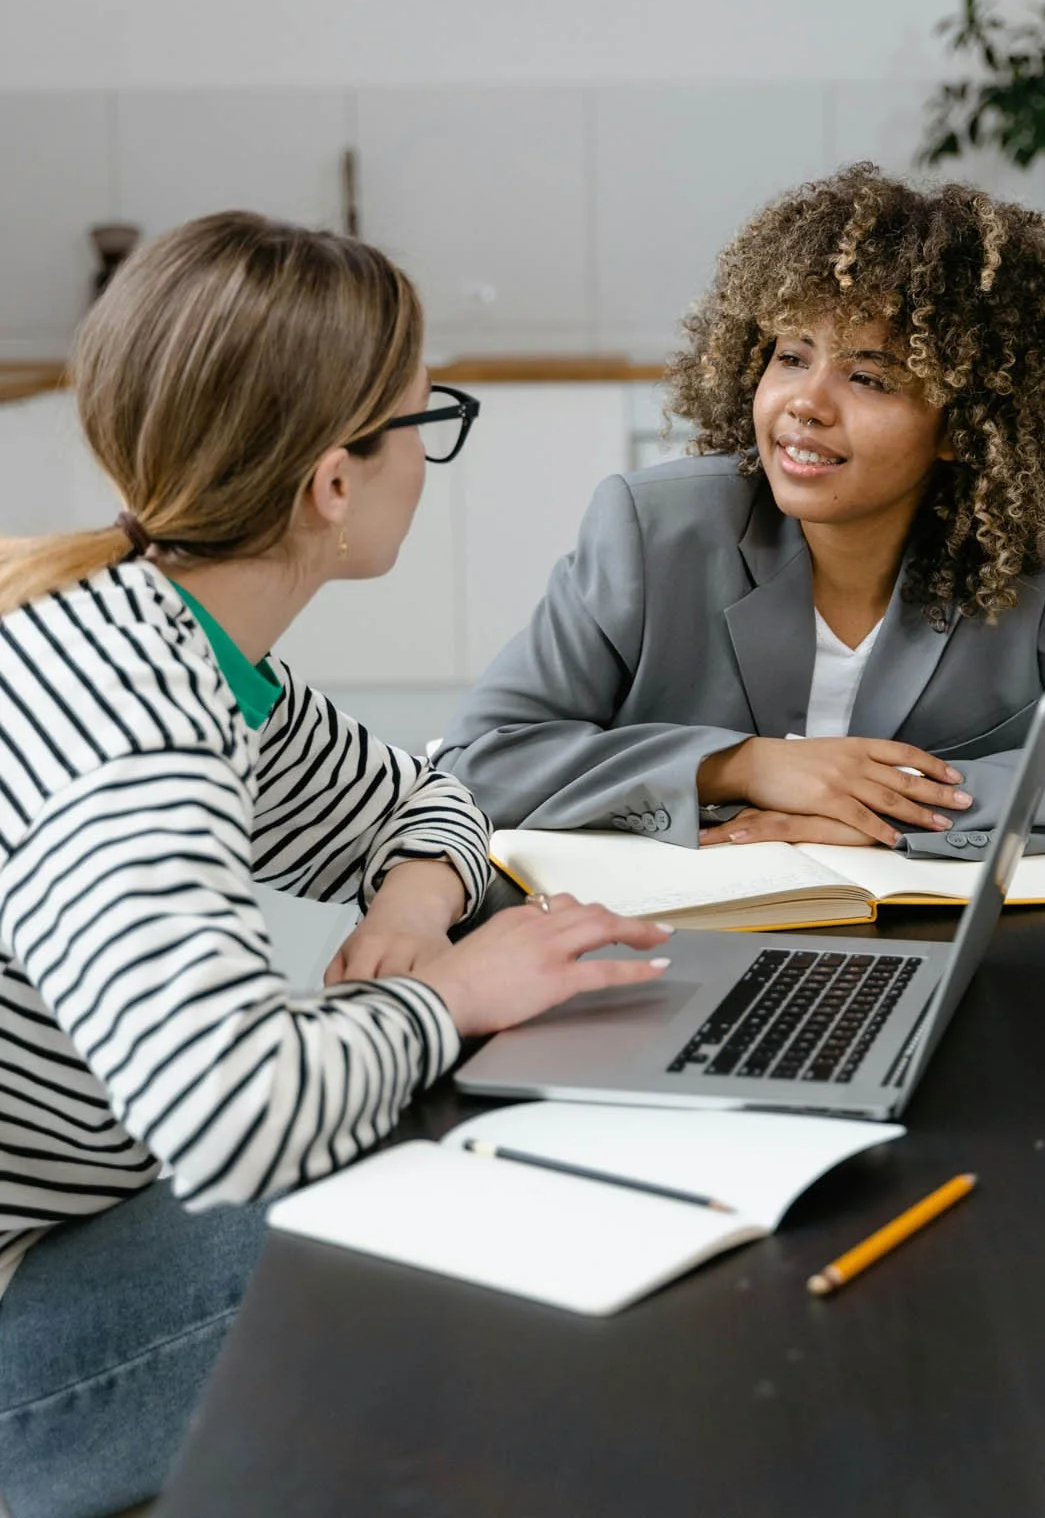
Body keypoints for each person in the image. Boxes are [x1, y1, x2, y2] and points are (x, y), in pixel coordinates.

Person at [0, 213, 671, 1518]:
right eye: (424, 425)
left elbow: (432, 795)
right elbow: (232, 1115)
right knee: (448, 1204)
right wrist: (457, 995)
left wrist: (419, 902)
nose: (432, 458)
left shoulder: (179, 644)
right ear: (334, 483)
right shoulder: (131, 721)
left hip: (65, 1240)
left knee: (431, 1115)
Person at [438, 167, 1045, 857]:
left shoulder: (1041, 550)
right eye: (791, 357)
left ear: (963, 428)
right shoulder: (652, 532)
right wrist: (741, 765)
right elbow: (480, 762)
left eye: (870, 378)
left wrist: (891, 812)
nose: (805, 405)